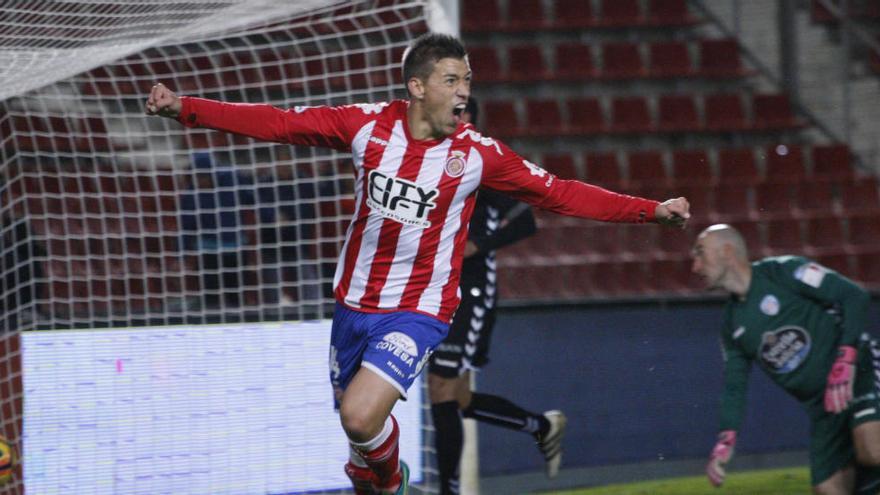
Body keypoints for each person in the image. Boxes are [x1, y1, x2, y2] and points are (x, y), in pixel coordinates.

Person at [146, 32, 690, 495]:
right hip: (354, 303)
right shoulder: (364, 126)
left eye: (469, 82)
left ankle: (393, 485)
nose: (465, 93)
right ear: (418, 87)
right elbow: (279, 124)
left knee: (362, 417)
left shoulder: (478, 154)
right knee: (359, 438)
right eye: (453, 81)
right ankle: (386, 479)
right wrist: (186, 108)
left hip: (420, 308)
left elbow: (561, 192)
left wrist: (650, 212)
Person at [426, 98, 562, 495]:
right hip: (437, 289)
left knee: (441, 387)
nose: (458, 118)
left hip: (471, 290)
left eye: (463, 112)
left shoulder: (480, 164)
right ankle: (542, 426)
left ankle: (449, 490)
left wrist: (479, 244)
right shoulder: (431, 164)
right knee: (459, 397)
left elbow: (527, 217)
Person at [691, 224, 880, 495]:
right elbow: (734, 385)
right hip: (822, 408)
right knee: (828, 489)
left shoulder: (784, 271)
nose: (695, 266)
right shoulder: (732, 326)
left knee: (872, 450)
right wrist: (726, 437)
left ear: (727, 251)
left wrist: (846, 357)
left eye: (700, 254)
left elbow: (854, 296)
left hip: (858, 372)